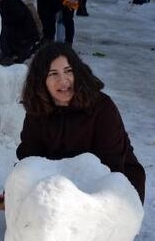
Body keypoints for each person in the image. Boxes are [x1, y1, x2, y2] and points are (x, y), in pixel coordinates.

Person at [16, 43, 146, 204]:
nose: (63, 80)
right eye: (53, 73)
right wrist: (19, 187)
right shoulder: (38, 109)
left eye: (68, 71)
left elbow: (111, 163)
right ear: (41, 81)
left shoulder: (102, 107)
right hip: (57, 186)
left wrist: (75, 199)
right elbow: (30, 156)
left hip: (112, 183)